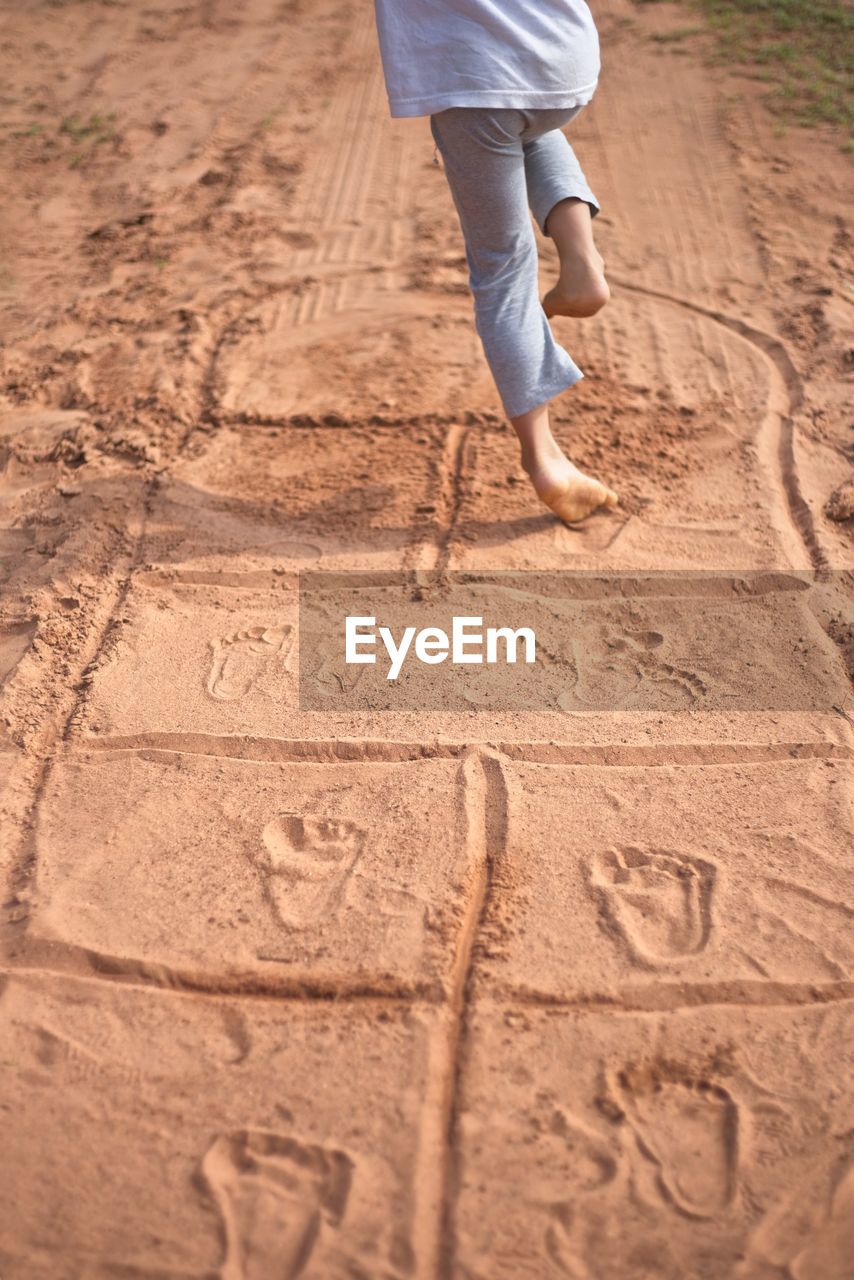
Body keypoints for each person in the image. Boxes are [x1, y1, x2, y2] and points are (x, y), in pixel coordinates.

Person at [373, 0, 618, 525]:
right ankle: (581, 261)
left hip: (473, 76)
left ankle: (544, 457)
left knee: (502, 268)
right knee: (530, 124)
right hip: (563, 60)